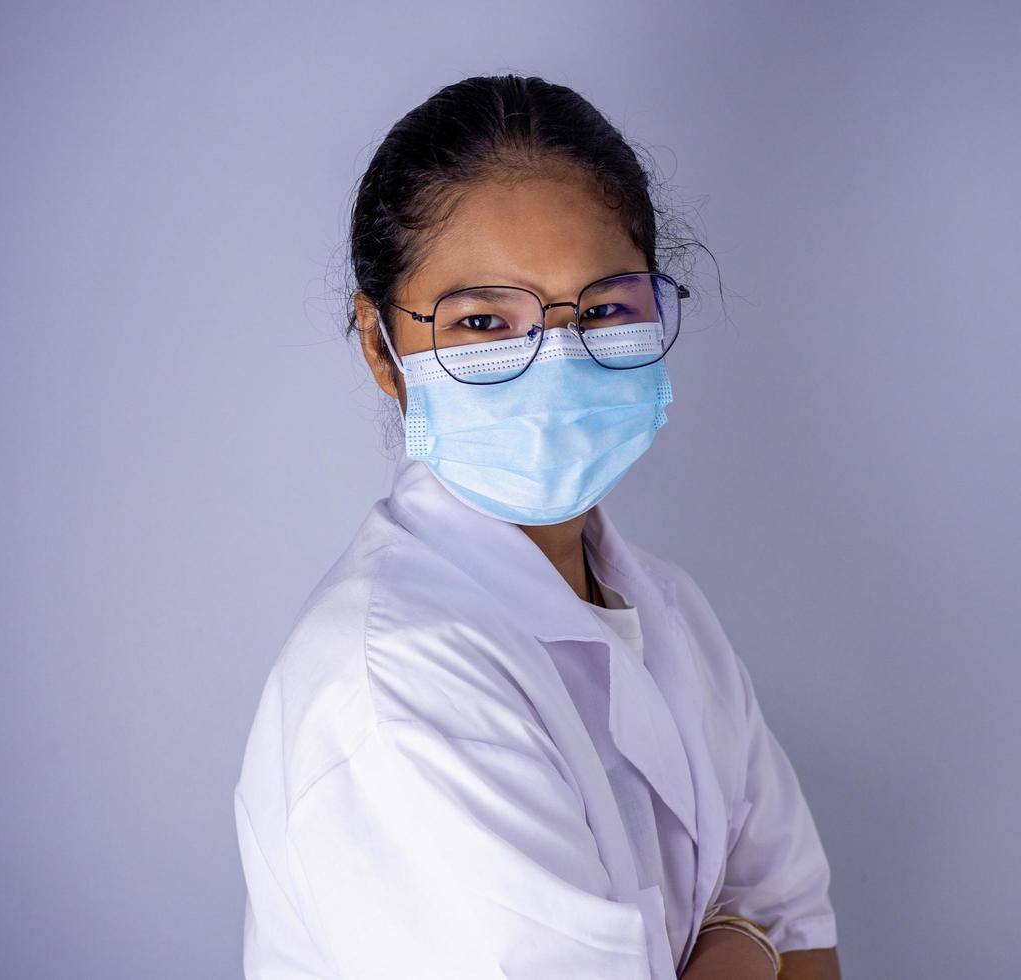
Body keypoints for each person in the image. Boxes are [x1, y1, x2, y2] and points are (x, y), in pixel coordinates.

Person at [234, 74, 841, 980]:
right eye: (483, 320)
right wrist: (742, 940)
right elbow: (774, 936)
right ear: (381, 351)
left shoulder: (668, 610)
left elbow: (808, 941)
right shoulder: (396, 683)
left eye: (602, 309)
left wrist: (752, 937)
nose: (555, 363)